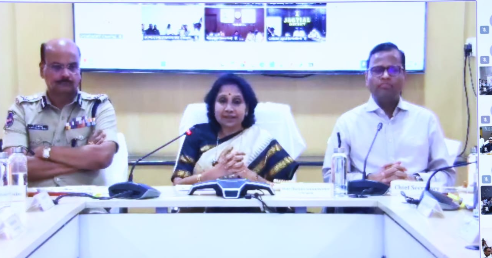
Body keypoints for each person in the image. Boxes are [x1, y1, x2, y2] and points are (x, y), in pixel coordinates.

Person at [323, 42, 455, 186]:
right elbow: (330, 176)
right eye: (378, 70)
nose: (385, 76)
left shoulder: (426, 120)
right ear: (366, 78)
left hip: (416, 199)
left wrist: (413, 180)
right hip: (366, 199)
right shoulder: (347, 123)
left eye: (393, 70)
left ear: (404, 76)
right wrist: (370, 180)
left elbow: (447, 176)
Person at [2, 38, 118, 187]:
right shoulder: (22, 110)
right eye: (57, 67)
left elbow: (102, 157)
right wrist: (85, 160)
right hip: (36, 200)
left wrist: (46, 152)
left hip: (87, 200)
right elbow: (14, 168)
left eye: (72, 66)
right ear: (42, 70)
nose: (65, 74)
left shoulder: (99, 106)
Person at [172, 74, 298, 185]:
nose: (229, 108)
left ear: (247, 108)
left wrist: (248, 175)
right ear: (213, 106)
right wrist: (213, 174)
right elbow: (178, 183)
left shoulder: (261, 139)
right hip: (202, 204)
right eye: (222, 101)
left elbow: (285, 188)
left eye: (236, 102)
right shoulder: (197, 134)